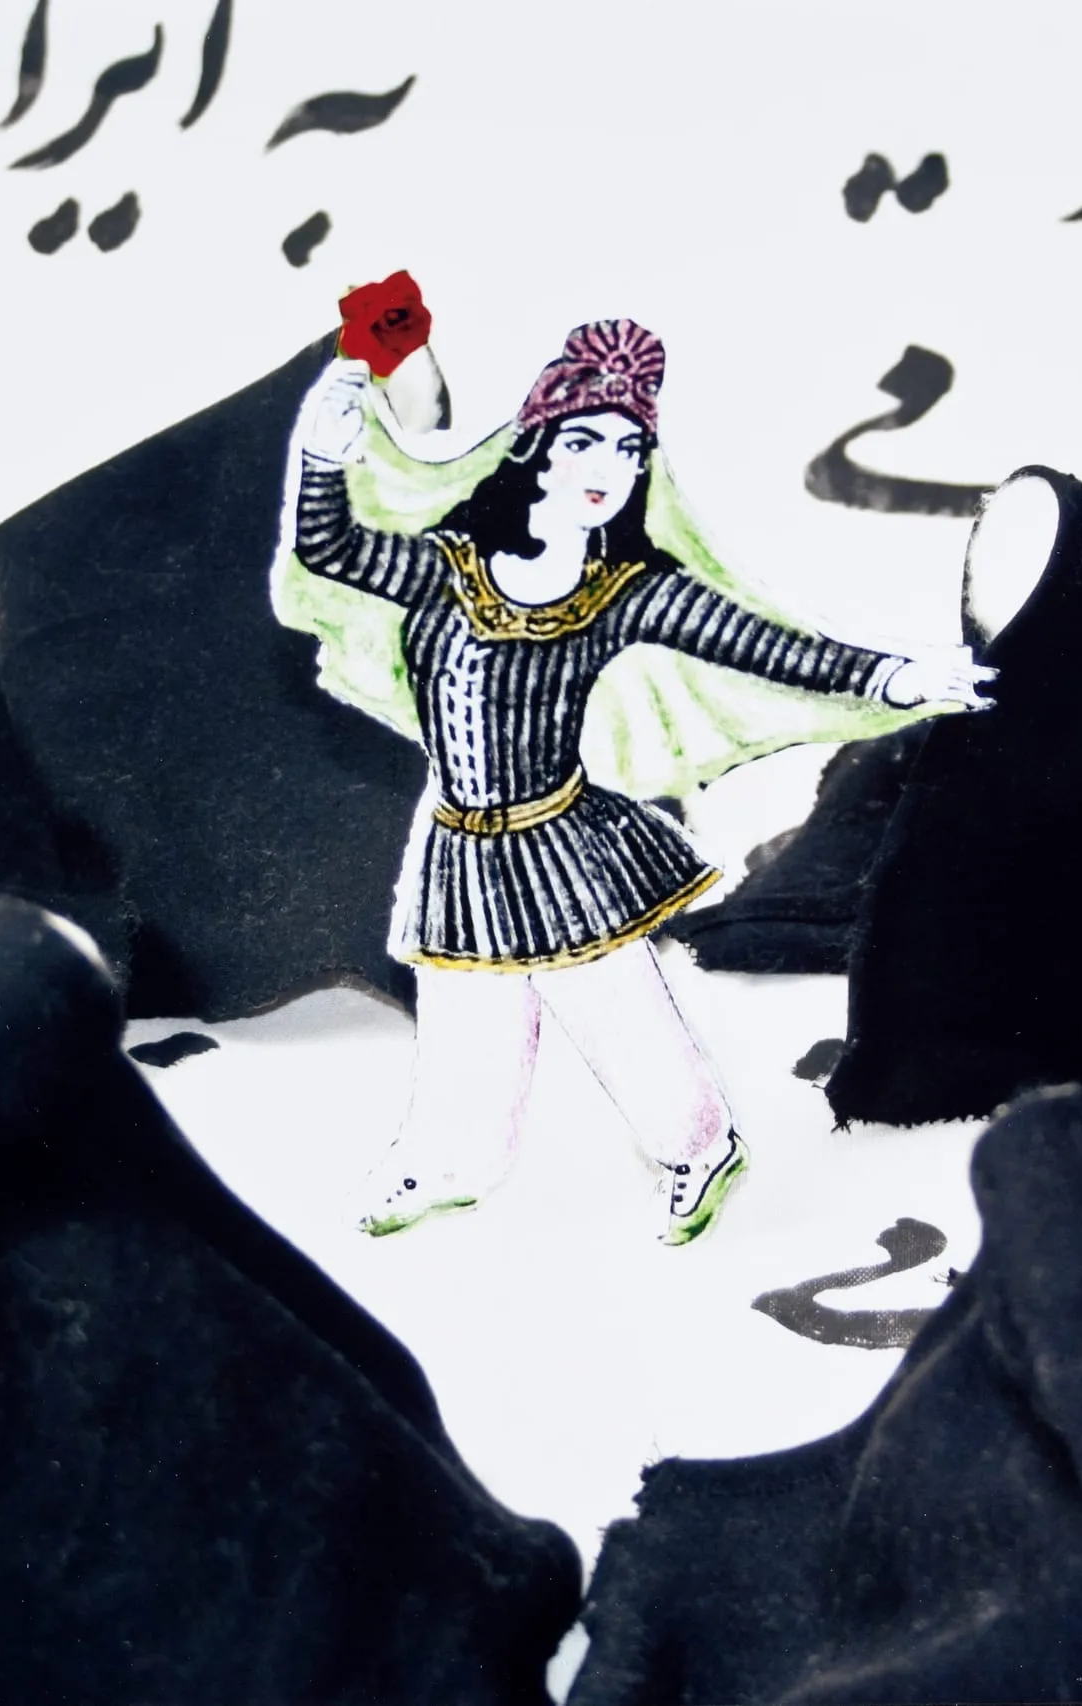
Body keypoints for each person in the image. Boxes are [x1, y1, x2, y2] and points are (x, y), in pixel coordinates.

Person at [290, 320, 994, 1245]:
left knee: (611, 1002)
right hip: (456, 836)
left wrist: (893, 676)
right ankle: (452, 1160)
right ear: (537, 447)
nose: (608, 466)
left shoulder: (623, 590)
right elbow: (332, 551)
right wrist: (320, 456)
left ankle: (699, 1148)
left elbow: (763, 643)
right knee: (465, 1003)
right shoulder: (448, 568)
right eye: (585, 440)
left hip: (556, 839)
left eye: (629, 450)